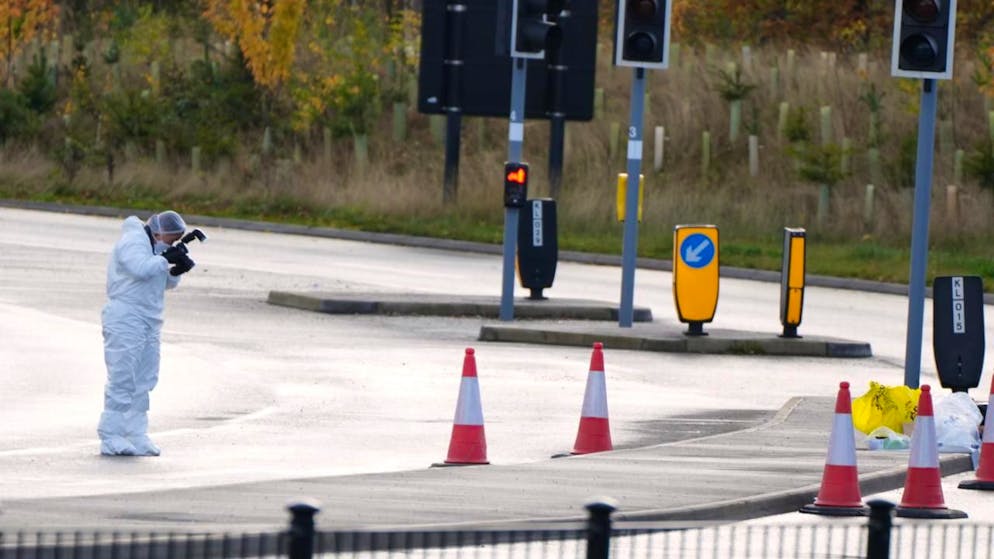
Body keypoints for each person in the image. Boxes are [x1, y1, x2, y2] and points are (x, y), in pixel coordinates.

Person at [97, 210, 195, 456]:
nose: (170, 244)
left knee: (145, 378)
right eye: (170, 240)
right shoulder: (132, 241)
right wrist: (165, 257)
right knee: (123, 376)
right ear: (158, 232)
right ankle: (111, 435)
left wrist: (176, 269)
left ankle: (136, 433)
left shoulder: (154, 245)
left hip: (150, 319)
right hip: (125, 316)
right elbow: (140, 268)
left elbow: (163, 281)